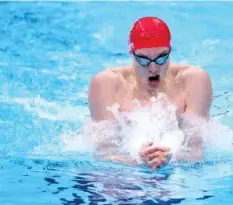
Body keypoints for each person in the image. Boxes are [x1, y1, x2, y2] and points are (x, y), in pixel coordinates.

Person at [88, 16, 213, 169]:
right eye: (143, 59)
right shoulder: (107, 83)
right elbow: (104, 154)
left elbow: (196, 152)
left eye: (161, 58)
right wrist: (137, 160)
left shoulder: (193, 80)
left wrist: (170, 157)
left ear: (170, 51)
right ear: (131, 53)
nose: (153, 68)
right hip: (125, 172)